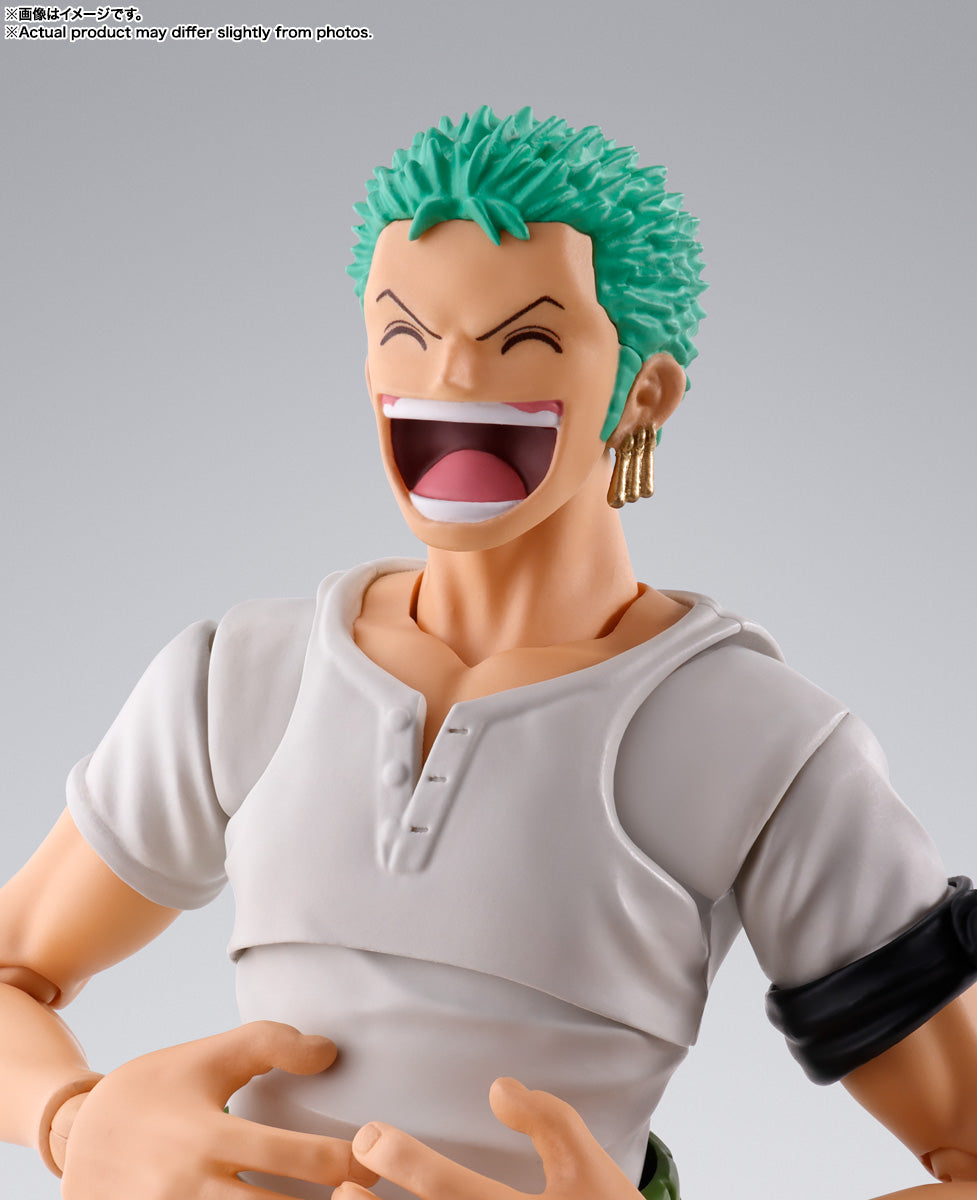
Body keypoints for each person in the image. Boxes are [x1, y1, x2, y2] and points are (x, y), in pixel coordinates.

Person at [1, 107, 976, 1200]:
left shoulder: (762, 744)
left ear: (643, 391)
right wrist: (71, 1121)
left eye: (526, 340)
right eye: (403, 332)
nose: (451, 378)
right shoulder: (241, 677)